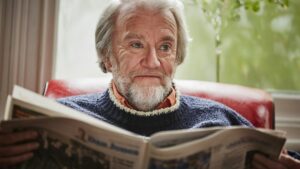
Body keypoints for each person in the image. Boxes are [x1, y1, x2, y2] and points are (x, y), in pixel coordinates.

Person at [0, 0, 299, 168]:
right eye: (135, 44)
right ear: (106, 57)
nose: (153, 62)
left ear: (178, 56)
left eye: (166, 47)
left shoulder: (221, 119)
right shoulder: (57, 118)